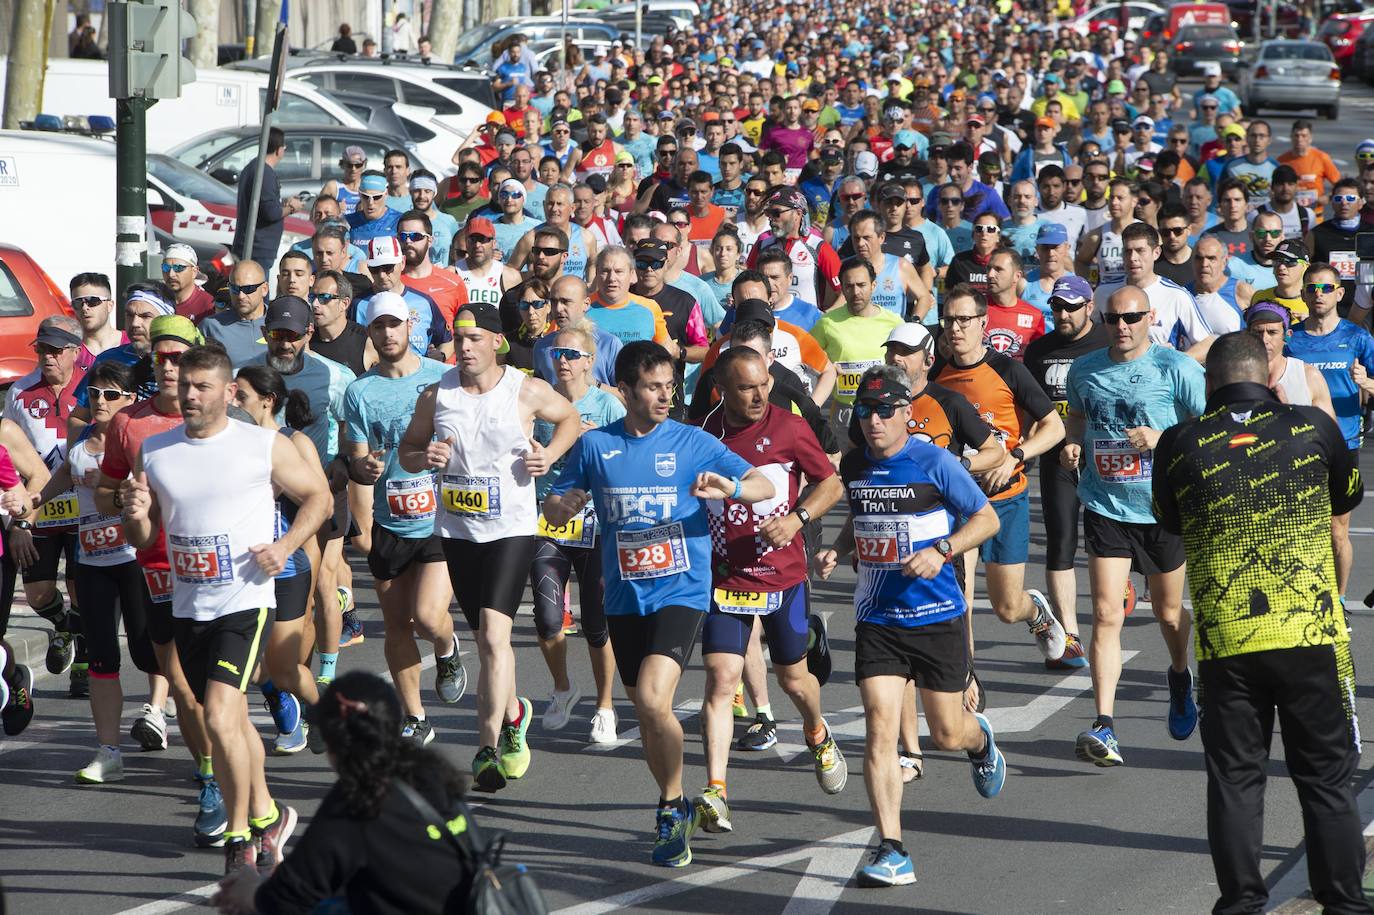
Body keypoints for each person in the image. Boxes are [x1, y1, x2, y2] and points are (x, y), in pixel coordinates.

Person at [1153, 331, 1370, 915]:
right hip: (1310, 632)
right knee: (1326, 779)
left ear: (1208, 385)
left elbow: (1166, 518)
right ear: (1272, 379)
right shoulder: (1313, 427)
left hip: (1229, 640)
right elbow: (1345, 498)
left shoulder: (1179, 442)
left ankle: (1243, 905)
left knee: (1235, 781)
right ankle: (1345, 904)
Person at [543, 340, 775, 867]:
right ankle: (673, 797)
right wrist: (564, 503)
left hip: (682, 590)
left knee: (651, 698)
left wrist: (731, 486)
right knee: (650, 716)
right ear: (623, 391)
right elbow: (554, 511)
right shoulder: (594, 445)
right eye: (652, 387)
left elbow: (763, 484)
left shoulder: (692, 441)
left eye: (670, 385)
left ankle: (671, 809)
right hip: (624, 595)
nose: (665, 395)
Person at [121, 344, 331, 872]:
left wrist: (284, 549)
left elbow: (319, 498)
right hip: (190, 604)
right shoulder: (158, 451)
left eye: (202, 386)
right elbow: (147, 534)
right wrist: (136, 515)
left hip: (247, 599)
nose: (189, 394)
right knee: (227, 723)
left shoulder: (261, 446)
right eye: (184, 385)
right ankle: (267, 817)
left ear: (228, 392)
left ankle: (239, 839)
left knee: (217, 712)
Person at [814, 364, 1005, 888]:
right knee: (879, 728)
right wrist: (839, 547)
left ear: (904, 413)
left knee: (946, 733)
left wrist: (942, 550)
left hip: (937, 617)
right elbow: (862, 516)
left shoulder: (934, 461)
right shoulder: (854, 466)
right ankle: (893, 847)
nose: (873, 421)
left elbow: (986, 519)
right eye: (865, 412)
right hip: (878, 618)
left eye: (883, 411)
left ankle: (980, 742)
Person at [399, 302, 579, 792]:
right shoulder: (437, 395)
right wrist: (424, 455)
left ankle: (487, 747)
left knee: (495, 640)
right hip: (459, 532)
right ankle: (515, 711)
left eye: (475, 338)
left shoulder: (525, 389)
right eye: (459, 338)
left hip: (512, 530)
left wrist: (549, 454)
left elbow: (570, 419)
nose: (464, 347)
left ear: (497, 341)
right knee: (484, 640)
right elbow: (408, 450)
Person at [692, 346, 848, 834]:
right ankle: (716, 791)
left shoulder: (789, 427)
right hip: (726, 581)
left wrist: (798, 518)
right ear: (722, 388)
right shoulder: (704, 435)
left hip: (782, 578)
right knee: (720, 680)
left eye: (763, 384)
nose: (760, 394)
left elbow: (831, 484)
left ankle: (818, 733)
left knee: (794, 682)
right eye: (747, 387)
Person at [1061, 285, 1206, 766]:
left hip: (1162, 508)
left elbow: (1212, 427)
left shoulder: (1176, 368)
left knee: (1168, 615)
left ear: (1151, 317)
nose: (1121, 327)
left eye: (1131, 318)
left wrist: (1162, 436)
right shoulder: (1085, 370)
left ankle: (1181, 675)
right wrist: (1073, 444)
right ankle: (1105, 724)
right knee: (1106, 614)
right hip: (1106, 505)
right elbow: (1078, 417)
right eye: (1112, 319)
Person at [95, 315, 223, 846]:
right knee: (189, 692)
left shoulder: (224, 418)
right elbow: (107, 488)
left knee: (224, 691)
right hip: (160, 569)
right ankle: (212, 781)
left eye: (179, 358)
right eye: (162, 358)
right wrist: (123, 501)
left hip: (220, 569)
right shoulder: (129, 424)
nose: (169, 367)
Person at [211, 673, 478, 913]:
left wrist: (251, 888)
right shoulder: (430, 771)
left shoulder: (357, 802)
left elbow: (287, 896)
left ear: (334, 743)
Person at [13, 361, 148, 782]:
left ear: (131, 400)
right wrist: (33, 503)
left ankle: (162, 710)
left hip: (134, 561)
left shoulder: (138, 441)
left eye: (111, 394)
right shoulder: (83, 437)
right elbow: (65, 476)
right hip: (93, 563)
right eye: (94, 393)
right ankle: (108, 751)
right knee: (102, 658)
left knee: (148, 652)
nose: (100, 401)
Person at [343, 295, 466, 746]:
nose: (388, 334)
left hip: (439, 517)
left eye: (395, 325)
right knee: (396, 626)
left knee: (429, 617)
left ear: (409, 326)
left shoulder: (441, 377)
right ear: (370, 334)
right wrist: (365, 470)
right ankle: (416, 717)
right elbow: (358, 459)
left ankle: (448, 648)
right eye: (379, 327)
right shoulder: (360, 391)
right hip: (390, 520)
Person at [932, 286, 1069, 683]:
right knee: (963, 601)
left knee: (1007, 607)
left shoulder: (1008, 369)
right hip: (960, 503)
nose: (955, 329)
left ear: (982, 324)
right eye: (949, 320)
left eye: (964, 320)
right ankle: (967, 682)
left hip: (1007, 497)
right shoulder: (938, 371)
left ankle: (1038, 614)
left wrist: (1016, 456)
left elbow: (1054, 426)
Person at [528, 320, 625, 742]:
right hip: (547, 521)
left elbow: (628, 456)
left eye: (571, 355)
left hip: (596, 525)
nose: (562, 361)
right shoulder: (538, 401)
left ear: (590, 361)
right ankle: (563, 688)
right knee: (548, 620)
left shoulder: (608, 408)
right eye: (556, 354)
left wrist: (594, 443)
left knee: (596, 624)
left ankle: (604, 706)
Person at [232, 364, 324, 755]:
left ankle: (322, 713)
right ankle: (279, 703)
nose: (232, 401)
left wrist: (311, 597)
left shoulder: (292, 443)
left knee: (284, 667)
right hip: (239, 570)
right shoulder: (225, 441)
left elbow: (320, 507)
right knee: (248, 669)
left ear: (267, 401)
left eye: (241, 396)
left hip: (287, 567)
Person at [1023, 275, 1109, 670]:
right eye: (1057, 306)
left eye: (1071, 307)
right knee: (1060, 540)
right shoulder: (1039, 350)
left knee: (1107, 540)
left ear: (1089, 307)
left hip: (1106, 454)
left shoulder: (1109, 339)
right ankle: (1070, 634)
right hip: (1058, 456)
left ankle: (1121, 577)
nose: (1063, 314)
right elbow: (1030, 409)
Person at [6, 316, 88, 698]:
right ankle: (65, 626)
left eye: (56, 350)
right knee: (39, 592)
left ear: (75, 350)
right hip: (41, 504)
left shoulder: (93, 386)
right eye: (42, 349)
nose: (48, 357)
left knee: (83, 587)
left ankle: (85, 667)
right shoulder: (21, 391)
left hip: (86, 504)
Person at [1284, 262, 1374, 599]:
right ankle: (1304, 596)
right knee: (1301, 529)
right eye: (1312, 288)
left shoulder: (1357, 336)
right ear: (1303, 294)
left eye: (1325, 288)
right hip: (1299, 445)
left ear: (1340, 293)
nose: (1318, 294)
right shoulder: (1291, 338)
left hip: (1343, 444)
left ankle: (1337, 602)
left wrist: (1367, 383)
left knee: (1338, 530)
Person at [231, 126, 304, 267]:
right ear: (279, 149)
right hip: (258, 248)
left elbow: (261, 203)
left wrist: (283, 202)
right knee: (258, 287)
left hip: (252, 246)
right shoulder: (264, 173)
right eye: (284, 147)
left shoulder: (253, 167)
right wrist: (292, 207)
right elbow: (271, 213)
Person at [1244, 302, 1333, 415]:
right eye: (1258, 332)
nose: (1264, 339)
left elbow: (1328, 429)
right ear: (1247, 335)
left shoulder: (1308, 376)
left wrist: (1286, 413)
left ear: (1287, 336)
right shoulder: (1234, 377)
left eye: (1272, 332)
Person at [203, 262, 270, 370]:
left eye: (248, 289)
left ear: (264, 289)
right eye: (234, 289)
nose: (241, 296)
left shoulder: (279, 323)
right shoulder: (211, 326)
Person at [159, 245, 216, 323]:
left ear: (194, 272)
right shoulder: (155, 299)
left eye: (178, 268)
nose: (171, 274)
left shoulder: (208, 306)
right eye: (166, 267)